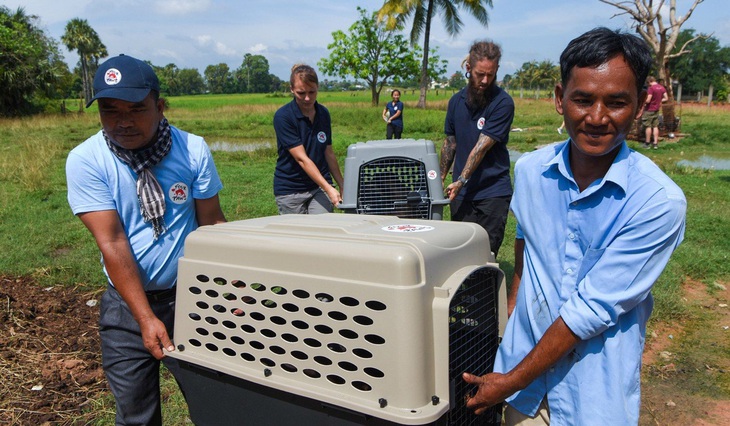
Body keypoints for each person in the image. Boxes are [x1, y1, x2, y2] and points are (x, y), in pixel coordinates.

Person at [462, 28, 686, 425]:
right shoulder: (532, 171)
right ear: (558, 99)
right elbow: (525, 240)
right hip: (522, 391)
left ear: (637, 107)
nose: (597, 118)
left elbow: (589, 311)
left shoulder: (656, 203)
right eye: (582, 99)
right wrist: (514, 309)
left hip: (590, 396)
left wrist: (510, 380)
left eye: (617, 102)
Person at [66, 54, 227, 425]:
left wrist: (227, 288)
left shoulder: (192, 150)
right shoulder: (86, 160)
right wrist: (144, 317)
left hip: (193, 296)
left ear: (160, 106)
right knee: (137, 415)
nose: (122, 122)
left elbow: (212, 224)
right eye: (110, 110)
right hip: (126, 307)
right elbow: (113, 242)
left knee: (215, 403)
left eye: (136, 109)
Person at [440, 40, 514, 257]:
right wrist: (439, 179)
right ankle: (463, 293)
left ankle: (485, 291)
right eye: (480, 74)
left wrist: (462, 180)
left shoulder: (502, 103)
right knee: (460, 253)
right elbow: (450, 143)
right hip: (461, 194)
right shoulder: (456, 102)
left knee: (485, 255)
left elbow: (481, 148)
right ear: (468, 68)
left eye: (490, 75)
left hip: (492, 192)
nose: (485, 80)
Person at [273, 64, 344, 214]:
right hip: (291, 189)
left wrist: (342, 185)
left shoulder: (323, 113)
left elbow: (328, 152)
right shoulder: (283, 117)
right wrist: (329, 189)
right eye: (301, 93)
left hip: (318, 187)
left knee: (323, 228)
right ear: (292, 89)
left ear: (318, 87)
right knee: (298, 235)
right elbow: (302, 159)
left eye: (312, 92)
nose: (307, 98)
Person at [642, 75, 668, 149]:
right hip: (656, 109)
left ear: (649, 81)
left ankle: (647, 143)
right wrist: (659, 100)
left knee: (648, 126)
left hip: (649, 109)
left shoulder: (651, 88)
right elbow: (666, 98)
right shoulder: (661, 87)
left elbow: (648, 100)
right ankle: (655, 143)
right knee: (655, 126)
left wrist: (642, 101)